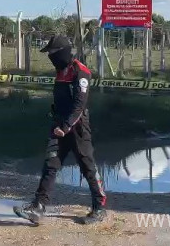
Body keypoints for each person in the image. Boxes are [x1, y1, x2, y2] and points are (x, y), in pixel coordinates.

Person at [13, 35, 107, 225]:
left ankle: (99, 207)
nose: (50, 57)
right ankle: (38, 207)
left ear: (63, 52)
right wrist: (56, 120)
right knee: (50, 165)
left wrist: (66, 126)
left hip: (77, 128)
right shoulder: (60, 72)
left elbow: (79, 105)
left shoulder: (80, 72)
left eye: (53, 53)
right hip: (58, 127)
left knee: (88, 167)